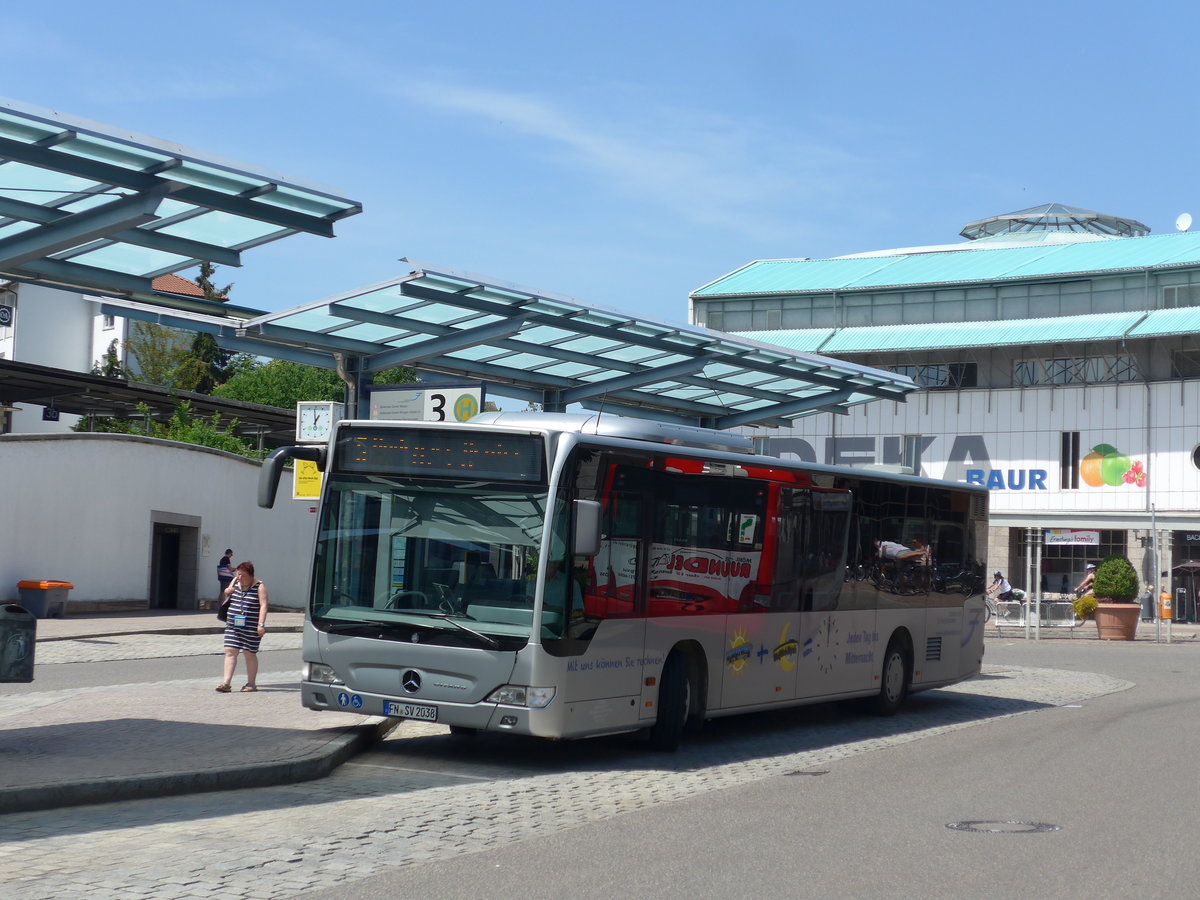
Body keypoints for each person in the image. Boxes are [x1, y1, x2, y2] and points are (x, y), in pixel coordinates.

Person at [216, 561, 269, 693]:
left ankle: (251, 684)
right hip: (233, 625)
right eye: (238, 574)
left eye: (243, 575)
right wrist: (227, 591)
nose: (240, 577)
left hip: (251, 626)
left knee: (249, 653)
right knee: (230, 651)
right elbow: (227, 594)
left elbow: (263, 605)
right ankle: (226, 683)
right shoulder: (235, 581)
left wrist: (261, 624)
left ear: (251, 575)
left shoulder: (259, 586)